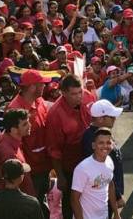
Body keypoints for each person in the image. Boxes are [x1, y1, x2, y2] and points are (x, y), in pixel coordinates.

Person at [45, 74, 92, 219]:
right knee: (70, 202)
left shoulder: (86, 98)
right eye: (74, 94)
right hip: (71, 166)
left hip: (89, 159)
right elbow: (54, 150)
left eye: (80, 92)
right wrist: (61, 176)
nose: (79, 97)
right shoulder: (55, 115)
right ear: (63, 93)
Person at [7, 69, 52, 216]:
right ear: (32, 86)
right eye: (42, 84)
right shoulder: (15, 109)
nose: (45, 86)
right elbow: (15, 145)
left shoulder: (39, 101)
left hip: (44, 167)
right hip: (30, 173)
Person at [81, 99, 125, 211]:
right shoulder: (92, 139)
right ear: (100, 119)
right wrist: (117, 196)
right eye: (112, 117)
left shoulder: (101, 133)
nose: (115, 119)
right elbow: (102, 171)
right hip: (103, 197)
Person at [71, 127, 121, 219]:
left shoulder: (109, 161)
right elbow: (74, 200)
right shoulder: (82, 168)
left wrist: (116, 213)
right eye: (101, 143)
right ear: (93, 145)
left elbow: (110, 185)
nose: (105, 146)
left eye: (108, 142)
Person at [0, 109, 35, 196]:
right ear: (13, 130)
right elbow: (8, 185)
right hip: (18, 205)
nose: (29, 125)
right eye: (25, 124)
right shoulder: (7, 153)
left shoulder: (9, 139)